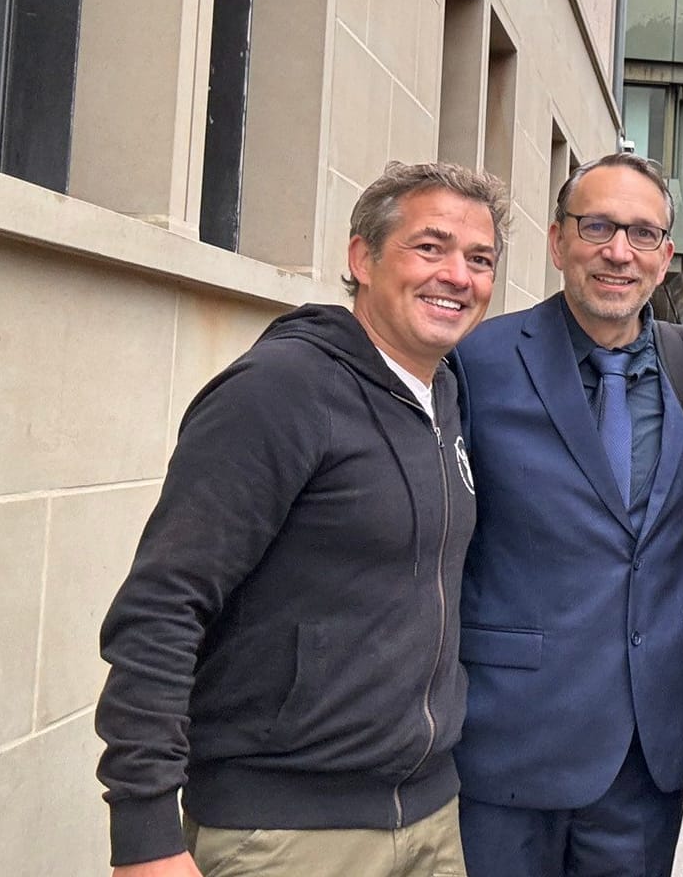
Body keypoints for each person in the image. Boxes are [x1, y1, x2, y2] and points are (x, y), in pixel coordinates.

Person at [95, 161, 507, 877]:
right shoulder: (282, 390)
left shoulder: (443, 399)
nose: (457, 276)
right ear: (362, 258)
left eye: (479, 260)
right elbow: (162, 606)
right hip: (284, 833)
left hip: (431, 819)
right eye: (430, 247)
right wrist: (145, 833)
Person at [448, 153, 683, 877]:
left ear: (665, 257)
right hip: (506, 739)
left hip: (646, 753)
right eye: (598, 225)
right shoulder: (474, 361)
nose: (618, 251)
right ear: (557, 241)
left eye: (642, 234)